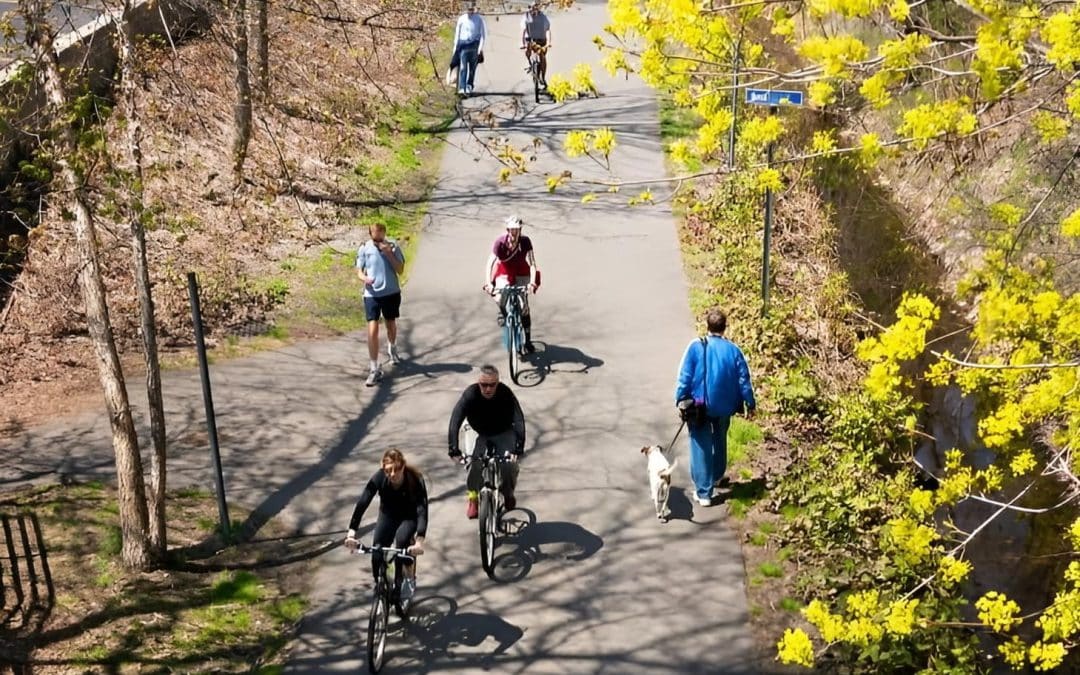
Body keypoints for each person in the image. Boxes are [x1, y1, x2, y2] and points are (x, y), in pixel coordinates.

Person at [674, 308, 757, 507]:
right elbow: (744, 380)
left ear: (707, 326)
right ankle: (717, 476)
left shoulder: (696, 346)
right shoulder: (734, 350)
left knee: (700, 444)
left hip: (700, 406)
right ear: (724, 327)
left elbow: (685, 376)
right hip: (725, 406)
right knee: (720, 439)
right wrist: (750, 403)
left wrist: (680, 398)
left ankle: (704, 492)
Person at [344, 448, 428, 600]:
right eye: (388, 471)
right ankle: (381, 584)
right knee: (377, 552)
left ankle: (405, 578)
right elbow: (363, 503)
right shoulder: (379, 477)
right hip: (388, 516)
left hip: (408, 517)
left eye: (396, 470)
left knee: (402, 541)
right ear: (383, 469)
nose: (392, 475)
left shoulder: (415, 480)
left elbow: (422, 511)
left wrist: (419, 540)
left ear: (403, 466)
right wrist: (351, 533)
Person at [448, 364, 525, 519]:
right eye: (484, 385)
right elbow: (455, 420)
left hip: (503, 432)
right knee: (473, 464)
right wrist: (453, 448)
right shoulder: (470, 395)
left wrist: (518, 447)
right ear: (478, 383)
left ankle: (508, 493)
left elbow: (519, 420)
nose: (488, 389)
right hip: (478, 432)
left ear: (498, 383)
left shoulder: (506, 394)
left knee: (509, 465)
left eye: (492, 385)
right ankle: (473, 498)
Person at [356, 222, 405, 387]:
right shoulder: (364, 248)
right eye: (373, 235)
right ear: (370, 234)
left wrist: (389, 254)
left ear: (384, 232)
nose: (377, 238)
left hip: (391, 292)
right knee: (372, 327)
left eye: (379, 234)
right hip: (371, 294)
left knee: (390, 324)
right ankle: (374, 367)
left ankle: (393, 348)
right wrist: (364, 279)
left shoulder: (393, 245)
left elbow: (400, 269)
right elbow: (358, 271)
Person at [484, 214, 539, 353]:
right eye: (511, 229)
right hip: (504, 272)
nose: (514, 233)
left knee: (523, 306)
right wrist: (488, 282)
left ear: (520, 230)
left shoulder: (525, 242)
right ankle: (504, 314)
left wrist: (532, 282)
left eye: (517, 230)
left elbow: (532, 263)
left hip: (522, 273)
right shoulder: (500, 242)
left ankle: (527, 341)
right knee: (500, 298)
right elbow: (490, 262)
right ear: (507, 230)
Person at [453, 2, 486, 96]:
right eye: (468, 10)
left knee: (472, 67)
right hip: (463, 45)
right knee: (463, 67)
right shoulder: (461, 19)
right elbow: (457, 34)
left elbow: (483, 35)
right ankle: (462, 88)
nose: (470, 12)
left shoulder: (479, 19)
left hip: (474, 45)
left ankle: (469, 85)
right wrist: (455, 47)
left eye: (471, 10)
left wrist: (480, 48)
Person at [520, 2, 551, 86]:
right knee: (528, 48)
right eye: (531, 7)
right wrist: (522, 43)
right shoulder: (526, 17)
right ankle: (530, 63)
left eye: (535, 7)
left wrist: (549, 42)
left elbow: (547, 30)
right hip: (530, 39)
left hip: (541, 40)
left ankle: (542, 78)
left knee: (542, 56)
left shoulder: (543, 17)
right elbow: (523, 31)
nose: (533, 9)